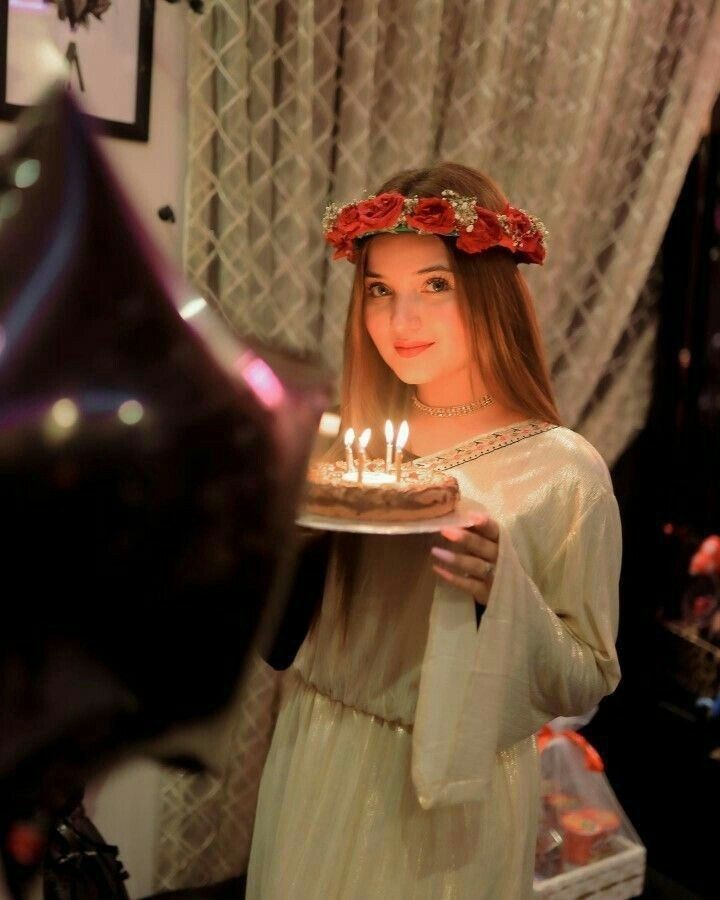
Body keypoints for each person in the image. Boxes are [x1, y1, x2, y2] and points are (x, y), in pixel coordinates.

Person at [246, 162, 622, 898]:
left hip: (454, 802)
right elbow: (278, 646)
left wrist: (500, 590)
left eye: (435, 285)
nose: (400, 321)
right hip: (319, 752)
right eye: (380, 290)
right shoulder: (341, 446)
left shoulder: (562, 471)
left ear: (489, 289)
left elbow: (588, 676)